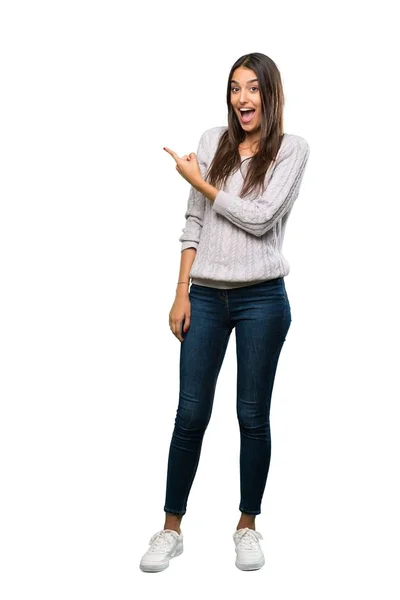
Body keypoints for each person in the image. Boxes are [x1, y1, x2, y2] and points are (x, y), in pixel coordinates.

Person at [139, 52, 310, 573]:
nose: (243, 99)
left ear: (270, 95)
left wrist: (198, 179)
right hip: (207, 297)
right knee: (190, 413)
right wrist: (181, 290)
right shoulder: (213, 140)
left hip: (263, 298)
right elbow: (195, 220)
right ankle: (171, 529)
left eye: (254, 89)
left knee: (252, 415)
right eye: (235, 88)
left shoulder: (292, 150)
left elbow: (259, 221)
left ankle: (247, 525)